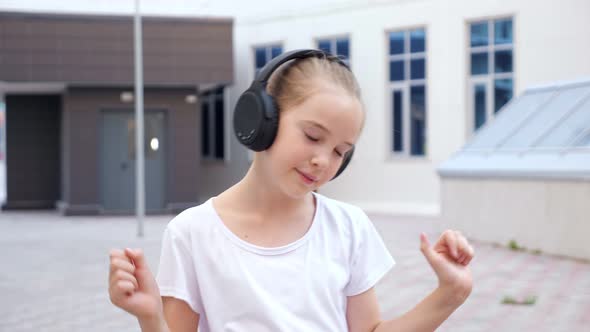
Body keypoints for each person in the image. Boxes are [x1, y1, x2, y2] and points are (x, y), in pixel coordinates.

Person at [108, 49, 474, 332]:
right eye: (313, 136)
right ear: (260, 121)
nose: (323, 161)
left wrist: (450, 293)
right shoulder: (193, 233)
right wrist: (151, 318)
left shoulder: (348, 227)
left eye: (339, 152)